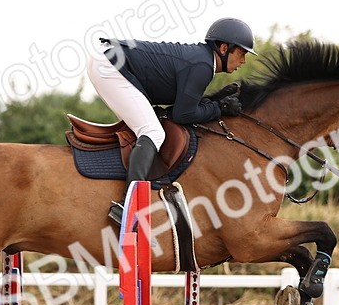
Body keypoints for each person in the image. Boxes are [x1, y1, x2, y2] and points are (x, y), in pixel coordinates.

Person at [86, 17, 256, 224]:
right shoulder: (202, 65)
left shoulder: (202, 61)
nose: (244, 61)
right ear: (223, 47)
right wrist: (219, 108)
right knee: (153, 132)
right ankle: (128, 207)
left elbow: (182, 108)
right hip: (109, 64)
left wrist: (215, 101)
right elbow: (183, 116)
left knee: (148, 128)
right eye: (242, 53)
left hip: (108, 60)